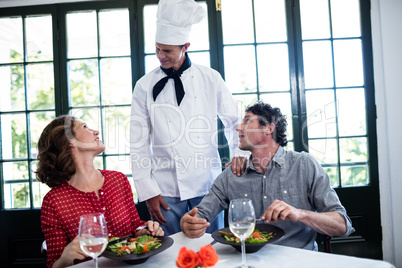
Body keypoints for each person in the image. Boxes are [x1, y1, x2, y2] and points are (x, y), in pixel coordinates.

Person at [130, 0, 246, 235]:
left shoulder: (210, 78)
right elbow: (138, 141)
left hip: (208, 186)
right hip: (165, 190)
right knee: (170, 252)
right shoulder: (144, 85)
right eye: (157, 49)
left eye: (168, 51)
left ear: (186, 46)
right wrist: (148, 191)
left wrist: (241, 155)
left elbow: (234, 121)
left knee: (212, 250)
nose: (160, 56)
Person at [180, 101, 355, 250]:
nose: (238, 127)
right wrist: (188, 224)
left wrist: (301, 214)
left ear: (268, 128)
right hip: (247, 261)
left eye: (247, 121)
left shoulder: (304, 165)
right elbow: (199, 216)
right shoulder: (231, 175)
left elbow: (342, 225)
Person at [36, 115, 164, 268]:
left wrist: (146, 231)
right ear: (70, 142)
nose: (95, 131)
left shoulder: (118, 180)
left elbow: (135, 226)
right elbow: (53, 264)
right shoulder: (54, 201)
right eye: (85, 127)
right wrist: (65, 257)